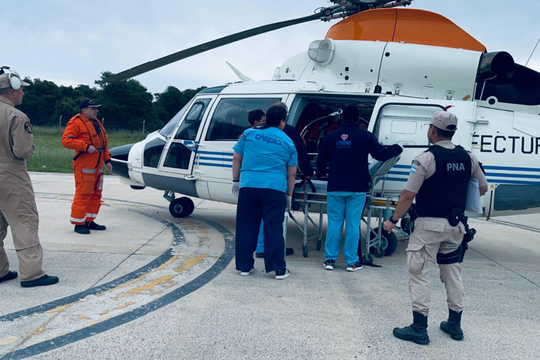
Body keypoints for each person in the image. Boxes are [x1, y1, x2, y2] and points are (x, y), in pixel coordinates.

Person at [383, 110, 488, 345]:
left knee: (419, 273)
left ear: (432, 129)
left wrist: (393, 220)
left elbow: (408, 194)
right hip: (456, 227)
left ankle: (419, 328)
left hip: (428, 227)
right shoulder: (468, 157)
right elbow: (483, 187)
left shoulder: (426, 158)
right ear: (453, 131)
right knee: (452, 273)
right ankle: (454, 325)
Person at [317, 106, 402, 272]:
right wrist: (397, 148)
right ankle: (352, 262)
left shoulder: (331, 136)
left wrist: (320, 175)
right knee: (353, 224)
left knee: (334, 223)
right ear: (358, 119)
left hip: (335, 187)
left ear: (342, 118)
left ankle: (329, 260)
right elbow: (382, 154)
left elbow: (321, 161)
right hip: (357, 188)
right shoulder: (365, 136)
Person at [0, 67, 59, 287]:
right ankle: (32, 273)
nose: (23, 92)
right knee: (24, 221)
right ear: (12, 90)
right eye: (21, 88)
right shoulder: (17, 116)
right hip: (10, 174)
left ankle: (0, 270)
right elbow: (23, 151)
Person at [232, 105, 297, 280]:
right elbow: (291, 173)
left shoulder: (249, 134)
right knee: (273, 227)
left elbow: (237, 158)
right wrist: (289, 195)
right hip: (274, 189)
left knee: (246, 226)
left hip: (249, 186)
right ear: (282, 121)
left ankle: (245, 266)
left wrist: (235, 181)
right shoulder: (288, 141)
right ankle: (278, 269)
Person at [254, 102, 314, 258]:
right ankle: (275, 249)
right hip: (277, 182)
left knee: (260, 215)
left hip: (254, 181)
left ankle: (260, 247)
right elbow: (299, 155)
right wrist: (309, 172)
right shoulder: (288, 133)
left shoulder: (255, 132)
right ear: (283, 119)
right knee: (275, 218)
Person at [62, 99, 113, 235]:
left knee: (96, 194)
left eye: (97, 108)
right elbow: (66, 140)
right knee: (83, 193)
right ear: (84, 110)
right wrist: (85, 147)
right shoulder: (76, 122)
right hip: (85, 166)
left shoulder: (97, 124)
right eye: (93, 108)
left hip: (97, 167)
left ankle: (89, 221)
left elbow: (102, 145)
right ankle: (79, 224)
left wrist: (107, 160)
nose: (96, 111)